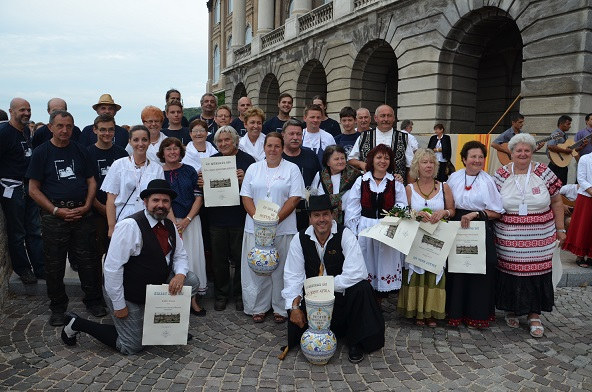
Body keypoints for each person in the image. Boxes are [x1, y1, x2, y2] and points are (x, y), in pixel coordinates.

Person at [59, 179, 202, 355]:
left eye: (165, 201)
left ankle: (166, 328)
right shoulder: (129, 226)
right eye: (155, 200)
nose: (161, 205)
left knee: (191, 281)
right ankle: (77, 324)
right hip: (129, 291)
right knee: (131, 346)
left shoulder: (169, 225)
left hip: (153, 285)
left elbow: (180, 255)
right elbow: (112, 269)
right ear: (145, 202)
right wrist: (119, 305)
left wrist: (180, 274)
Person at [282, 194, 385, 363]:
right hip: (312, 301)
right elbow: (293, 276)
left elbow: (357, 272)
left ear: (332, 216)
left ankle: (356, 342)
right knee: (294, 301)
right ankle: (311, 335)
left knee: (362, 288)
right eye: (316, 215)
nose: (321, 220)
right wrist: (294, 307)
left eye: (325, 214)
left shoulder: (346, 235)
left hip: (341, 301)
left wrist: (323, 286)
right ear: (309, 219)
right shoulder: (299, 239)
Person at [26, 110, 107, 326]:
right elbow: (33, 189)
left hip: (83, 213)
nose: (65, 130)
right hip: (55, 217)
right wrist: (54, 210)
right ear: (51, 127)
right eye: (60, 126)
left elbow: (91, 181)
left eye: (69, 126)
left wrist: (88, 205)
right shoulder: (41, 153)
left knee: (89, 261)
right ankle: (58, 307)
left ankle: (94, 300)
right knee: (55, 264)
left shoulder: (81, 151)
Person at [493, 133, 565, 338]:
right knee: (511, 273)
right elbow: (492, 204)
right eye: (518, 150)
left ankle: (534, 315)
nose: (523, 153)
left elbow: (557, 202)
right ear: (511, 153)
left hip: (541, 237)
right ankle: (512, 308)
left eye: (527, 150)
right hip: (509, 238)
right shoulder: (500, 175)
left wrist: (561, 229)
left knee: (537, 274)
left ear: (532, 152)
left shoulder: (544, 172)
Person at [240, 132, 305, 323]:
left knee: (282, 268)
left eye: (277, 146)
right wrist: (259, 221)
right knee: (257, 267)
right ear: (264, 147)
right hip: (255, 227)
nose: (273, 150)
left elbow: (294, 198)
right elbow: (246, 196)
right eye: (269, 146)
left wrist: (274, 221)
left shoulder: (292, 169)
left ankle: (281, 307)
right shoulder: (254, 168)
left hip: (283, 227)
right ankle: (257, 306)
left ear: (282, 147)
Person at [446, 141, 504, 328]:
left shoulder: (488, 181)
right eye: (473, 156)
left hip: (479, 225)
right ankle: (454, 313)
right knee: (457, 270)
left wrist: (477, 214)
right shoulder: (454, 178)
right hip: (457, 225)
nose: (477, 160)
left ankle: (476, 315)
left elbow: (498, 212)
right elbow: (447, 204)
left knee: (478, 270)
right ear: (464, 159)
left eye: (481, 157)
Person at [397, 148, 455, 327]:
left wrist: (443, 212)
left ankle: (431, 313)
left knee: (434, 272)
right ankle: (417, 312)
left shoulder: (444, 186)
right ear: (417, 166)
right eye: (424, 162)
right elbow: (400, 211)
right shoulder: (408, 189)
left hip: (437, 238)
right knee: (416, 273)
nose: (428, 166)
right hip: (415, 238)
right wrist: (414, 214)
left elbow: (452, 210)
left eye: (431, 162)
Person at [344, 145, 407, 302]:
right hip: (366, 227)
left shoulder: (395, 183)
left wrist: (392, 222)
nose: (382, 161)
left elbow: (402, 205)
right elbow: (353, 207)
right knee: (366, 263)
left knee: (384, 262)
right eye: (379, 157)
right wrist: (356, 230)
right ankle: (368, 300)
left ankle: (379, 300)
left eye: (386, 158)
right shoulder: (361, 181)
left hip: (387, 228)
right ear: (371, 160)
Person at [205, 126, 256, 311]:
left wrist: (244, 180)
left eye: (227, 140)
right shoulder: (211, 162)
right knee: (219, 260)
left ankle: (240, 295)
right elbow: (205, 190)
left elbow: (256, 188)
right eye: (220, 141)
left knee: (241, 259)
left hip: (239, 218)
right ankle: (221, 294)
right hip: (217, 218)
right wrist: (202, 182)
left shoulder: (248, 161)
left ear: (235, 140)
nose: (223, 143)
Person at [157, 138, 207, 314]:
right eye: (168, 149)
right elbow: (162, 200)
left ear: (181, 151)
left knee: (192, 258)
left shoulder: (189, 170)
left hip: (191, 221)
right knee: (174, 260)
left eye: (175, 149)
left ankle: (193, 299)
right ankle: (174, 299)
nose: (172, 152)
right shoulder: (157, 172)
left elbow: (199, 197)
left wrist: (187, 219)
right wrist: (173, 222)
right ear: (162, 152)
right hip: (167, 223)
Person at [0, 98, 45, 284]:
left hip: (29, 187)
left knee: (34, 229)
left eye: (28, 109)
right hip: (12, 188)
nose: (26, 113)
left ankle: (40, 268)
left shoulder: (26, 130)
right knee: (17, 232)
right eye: (22, 110)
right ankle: (23, 269)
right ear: (11, 111)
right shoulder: (4, 133)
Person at [101, 126, 165, 238]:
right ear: (130, 141)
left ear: (149, 141)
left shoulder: (157, 168)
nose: (140, 144)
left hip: (149, 217)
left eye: (144, 140)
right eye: (136, 140)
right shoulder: (119, 165)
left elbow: (160, 198)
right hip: (124, 216)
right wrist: (111, 227)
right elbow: (111, 199)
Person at [87, 114, 128, 268]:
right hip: (96, 210)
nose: (107, 133)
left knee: (118, 254)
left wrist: (115, 211)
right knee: (96, 255)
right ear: (95, 130)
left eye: (110, 130)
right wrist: (101, 207)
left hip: (119, 211)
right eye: (103, 129)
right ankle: (97, 291)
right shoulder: (87, 153)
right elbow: (86, 184)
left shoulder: (122, 154)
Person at [347, 105, 413, 184]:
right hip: (368, 188)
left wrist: (409, 189)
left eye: (389, 116)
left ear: (394, 118)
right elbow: (350, 160)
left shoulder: (404, 138)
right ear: (375, 118)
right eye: (382, 116)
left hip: (397, 189)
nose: (386, 119)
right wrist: (361, 164)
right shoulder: (363, 136)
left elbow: (411, 166)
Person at [281, 119, 322, 231]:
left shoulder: (311, 156)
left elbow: (319, 185)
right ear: (283, 135)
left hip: (306, 214)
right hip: (281, 213)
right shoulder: (277, 158)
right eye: (291, 134)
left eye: (299, 134)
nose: (295, 137)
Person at [311, 145, 361, 224]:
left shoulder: (355, 176)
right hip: (324, 221)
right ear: (328, 162)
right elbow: (313, 197)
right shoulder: (320, 176)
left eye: (342, 158)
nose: (340, 162)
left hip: (349, 220)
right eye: (336, 159)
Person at [563, 152, 592, 267]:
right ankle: (580, 255)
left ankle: (590, 256)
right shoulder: (585, 158)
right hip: (586, 198)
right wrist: (590, 190)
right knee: (583, 226)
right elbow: (581, 178)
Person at [546, 115, 572, 185]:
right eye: (568, 124)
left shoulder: (565, 135)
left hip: (561, 164)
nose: (570, 126)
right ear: (561, 124)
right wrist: (565, 151)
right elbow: (550, 146)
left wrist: (582, 146)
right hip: (555, 165)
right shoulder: (556, 134)